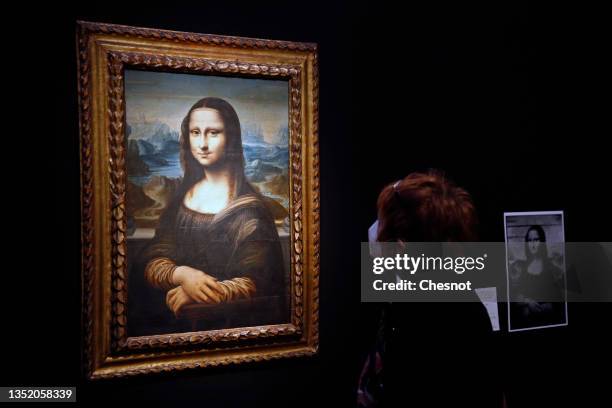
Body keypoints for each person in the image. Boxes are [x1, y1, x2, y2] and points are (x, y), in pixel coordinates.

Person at [140, 97, 287, 330]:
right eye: (195, 132)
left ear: (231, 139)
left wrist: (199, 293)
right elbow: (151, 259)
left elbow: (259, 283)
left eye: (213, 133)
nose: (203, 143)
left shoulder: (251, 212)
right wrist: (182, 275)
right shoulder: (181, 199)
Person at [358, 170, 501, 407]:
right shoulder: (456, 301)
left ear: (403, 245)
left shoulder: (426, 317)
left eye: (382, 224)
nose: (375, 234)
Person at [509, 225, 566, 329]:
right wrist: (528, 302)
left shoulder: (551, 267)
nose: (533, 244)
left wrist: (545, 308)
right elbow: (515, 297)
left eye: (536, 239)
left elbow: (559, 301)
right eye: (530, 240)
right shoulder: (522, 268)